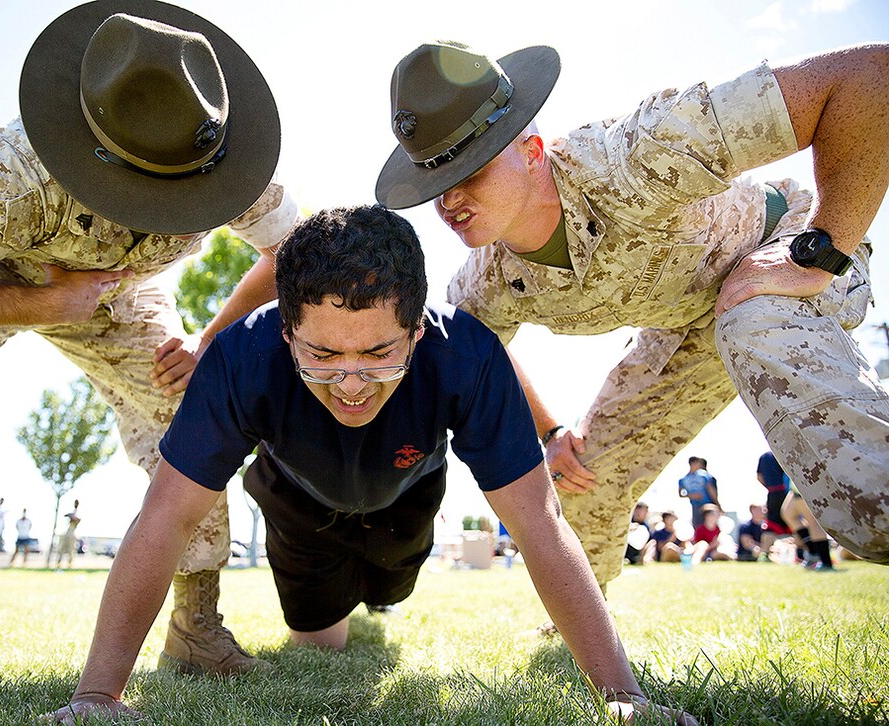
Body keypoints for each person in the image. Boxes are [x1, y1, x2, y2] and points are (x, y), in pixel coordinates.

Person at [43, 206, 695, 725]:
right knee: (321, 645)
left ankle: (381, 588)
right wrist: (99, 694)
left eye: (380, 353)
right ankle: (330, 601)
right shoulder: (239, 359)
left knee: (387, 592)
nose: (352, 384)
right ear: (285, 331)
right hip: (298, 504)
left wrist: (623, 696)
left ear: (417, 330)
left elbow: (537, 522)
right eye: (322, 355)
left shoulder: (466, 354)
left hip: (404, 497)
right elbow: (166, 517)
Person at [0, 1, 299, 676]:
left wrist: (210, 340)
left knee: (192, 409)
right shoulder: (13, 176)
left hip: (118, 296)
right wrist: (46, 302)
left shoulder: (225, 159)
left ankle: (197, 629)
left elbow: (290, 254)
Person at [376, 40, 889, 592]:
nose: (449, 199)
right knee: (585, 474)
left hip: (783, 252)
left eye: (470, 169)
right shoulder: (487, 280)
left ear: (530, 150)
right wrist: (550, 430)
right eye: (435, 180)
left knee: (752, 319)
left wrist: (819, 250)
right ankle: (584, 629)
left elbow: (865, 76)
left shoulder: (636, 154)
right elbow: (477, 350)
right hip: (689, 327)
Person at [678, 457, 719, 528]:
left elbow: (710, 489)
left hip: (708, 506)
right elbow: (681, 493)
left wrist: (716, 503)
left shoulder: (704, 476)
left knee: (710, 526)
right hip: (695, 506)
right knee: (698, 526)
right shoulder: (684, 479)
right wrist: (691, 495)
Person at [56, 500, 82, 569]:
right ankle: (58, 563)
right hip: (66, 532)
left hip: (72, 532)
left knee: (71, 549)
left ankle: (69, 564)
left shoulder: (78, 512)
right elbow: (66, 515)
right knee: (61, 548)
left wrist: (72, 516)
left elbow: (77, 519)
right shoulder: (72, 511)